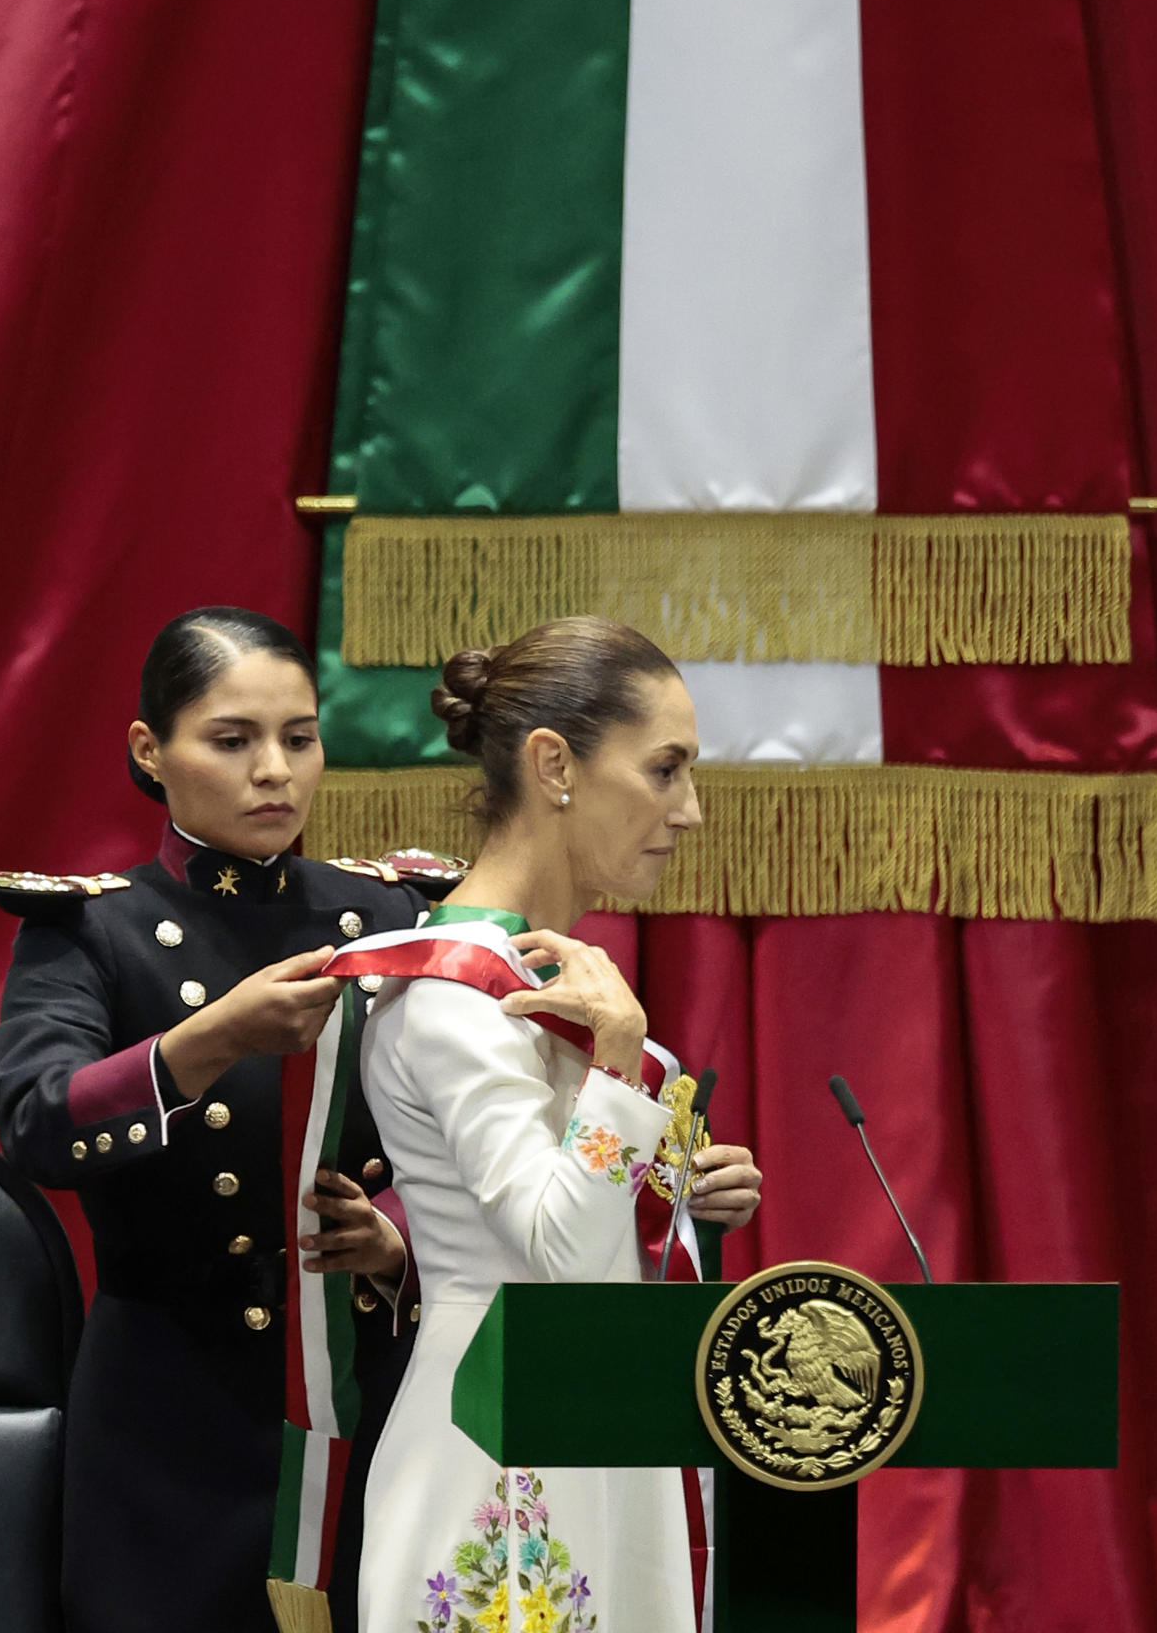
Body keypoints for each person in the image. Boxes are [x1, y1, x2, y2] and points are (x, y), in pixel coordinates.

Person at [0, 607, 429, 1633]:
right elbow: (37, 1125)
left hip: (359, 1397)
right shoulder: (93, 930)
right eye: (232, 740)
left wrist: (394, 1236)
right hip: (167, 1414)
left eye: (300, 737)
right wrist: (210, 1039)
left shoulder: (392, 918)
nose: (274, 770)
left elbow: (451, 1137)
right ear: (152, 751)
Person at [349, 617, 762, 1633]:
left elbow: (605, 1244)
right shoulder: (452, 997)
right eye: (664, 770)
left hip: (595, 1431)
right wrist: (619, 1069)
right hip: (496, 1448)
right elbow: (563, 1262)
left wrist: (688, 1201)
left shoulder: (544, 984)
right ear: (554, 764)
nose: (689, 810)